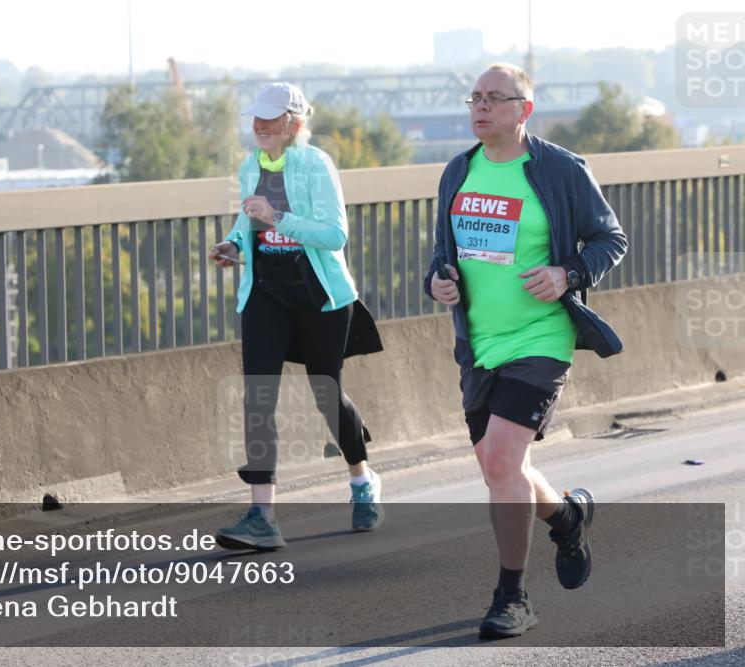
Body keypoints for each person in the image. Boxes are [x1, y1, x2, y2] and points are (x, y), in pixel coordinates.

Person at [424, 64, 627, 639]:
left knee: (500, 465)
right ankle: (567, 517)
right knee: (506, 469)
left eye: (495, 98)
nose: (481, 107)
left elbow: (611, 238)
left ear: (524, 109)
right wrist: (436, 281)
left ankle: (512, 597)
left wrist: (568, 273)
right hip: (478, 344)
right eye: (475, 98)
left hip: (541, 336)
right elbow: (443, 253)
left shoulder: (560, 169)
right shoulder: (458, 171)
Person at [207, 82, 384, 550]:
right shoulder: (251, 165)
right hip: (266, 292)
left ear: (295, 124)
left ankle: (361, 479)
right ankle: (262, 516)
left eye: (270, 119)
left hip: (318, 294)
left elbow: (334, 235)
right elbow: (249, 222)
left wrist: (278, 217)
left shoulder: (315, 164)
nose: (259, 126)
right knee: (257, 395)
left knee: (327, 393)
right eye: (256, 118)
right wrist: (235, 245)